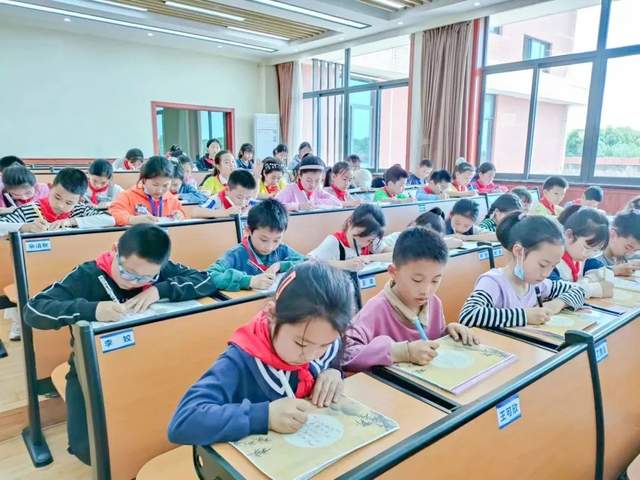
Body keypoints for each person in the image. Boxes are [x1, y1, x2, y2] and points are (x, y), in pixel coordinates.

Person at [23, 224, 218, 464]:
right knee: (89, 448)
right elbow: (34, 310)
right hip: (94, 368)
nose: (135, 282)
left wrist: (158, 289)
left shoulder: (158, 270)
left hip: (151, 361)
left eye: (147, 277)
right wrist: (92, 309)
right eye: (128, 273)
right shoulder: (87, 275)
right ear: (115, 250)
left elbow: (206, 280)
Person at [168, 262, 354, 445]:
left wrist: (333, 371)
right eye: (301, 343)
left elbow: (333, 354)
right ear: (271, 314)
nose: (312, 355)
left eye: (325, 345)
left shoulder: (323, 338)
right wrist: (265, 416)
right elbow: (184, 421)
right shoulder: (240, 361)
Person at [342, 227, 479, 372]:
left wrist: (447, 333)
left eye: (435, 280)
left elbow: (431, 343)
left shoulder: (434, 303)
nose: (426, 290)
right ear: (393, 272)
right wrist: (400, 352)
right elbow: (344, 354)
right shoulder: (376, 309)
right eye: (417, 280)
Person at [459, 213, 587, 328]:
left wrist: (557, 304)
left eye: (553, 266)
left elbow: (579, 290)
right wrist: (525, 316)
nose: (546, 274)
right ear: (519, 251)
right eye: (542, 265)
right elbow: (468, 315)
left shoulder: (538, 284)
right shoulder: (493, 282)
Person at [207, 199, 305, 291]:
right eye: (263, 240)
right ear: (248, 230)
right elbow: (209, 275)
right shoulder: (236, 254)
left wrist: (280, 265)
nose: (269, 247)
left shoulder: (281, 249)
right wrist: (249, 281)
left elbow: (307, 263)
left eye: (276, 240)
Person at [0, 168, 115, 232]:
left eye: (69, 202)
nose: (60, 205)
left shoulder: (80, 210)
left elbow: (110, 220)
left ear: (79, 200)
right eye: (57, 197)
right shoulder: (28, 209)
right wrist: (24, 227)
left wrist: (70, 222)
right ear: (51, 188)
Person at [549, 205, 611, 299]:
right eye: (587, 247)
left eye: (595, 250)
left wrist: (585, 281)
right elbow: (555, 288)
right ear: (569, 235)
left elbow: (605, 274)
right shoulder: (551, 259)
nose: (590, 254)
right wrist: (593, 289)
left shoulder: (583, 258)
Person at [309, 204, 391, 271]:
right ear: (350, 222)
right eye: (362, 234)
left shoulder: (373, 241)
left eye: (370, 240)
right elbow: (308, 262)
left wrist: (369, 257)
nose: (365, 243)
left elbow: (395, 255)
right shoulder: (335, 242)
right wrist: (345, 264)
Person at [109, 156, 185, 226]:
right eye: (155, 185)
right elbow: (113, 213)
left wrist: (179, 215)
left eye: (165, 185)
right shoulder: (128, 196)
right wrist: (132, 219)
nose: (159, 190)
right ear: (144, 180)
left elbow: (181, 213)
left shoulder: (172, 199)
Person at [380, 207, 464, 251]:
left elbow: (458, 242)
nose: (427, 240)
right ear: (414, 225)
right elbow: (384, 249)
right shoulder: (395, 238)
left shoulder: (431, 240)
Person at [276, 156, 342, 211]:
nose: (313, 185)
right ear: (299, 175)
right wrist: (298, 206)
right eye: (308, 180)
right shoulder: (291, 189)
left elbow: (337, 202)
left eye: (317, 181)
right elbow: (274, 207)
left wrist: (315, 202)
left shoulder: (318, 190)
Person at [598, 209, 640, 276]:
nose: (630, 254)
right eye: (627, 247)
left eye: (636, 250)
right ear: (613, 235)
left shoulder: (620, 256)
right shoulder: (594, 258)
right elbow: (591, 276)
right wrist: (614, 271)